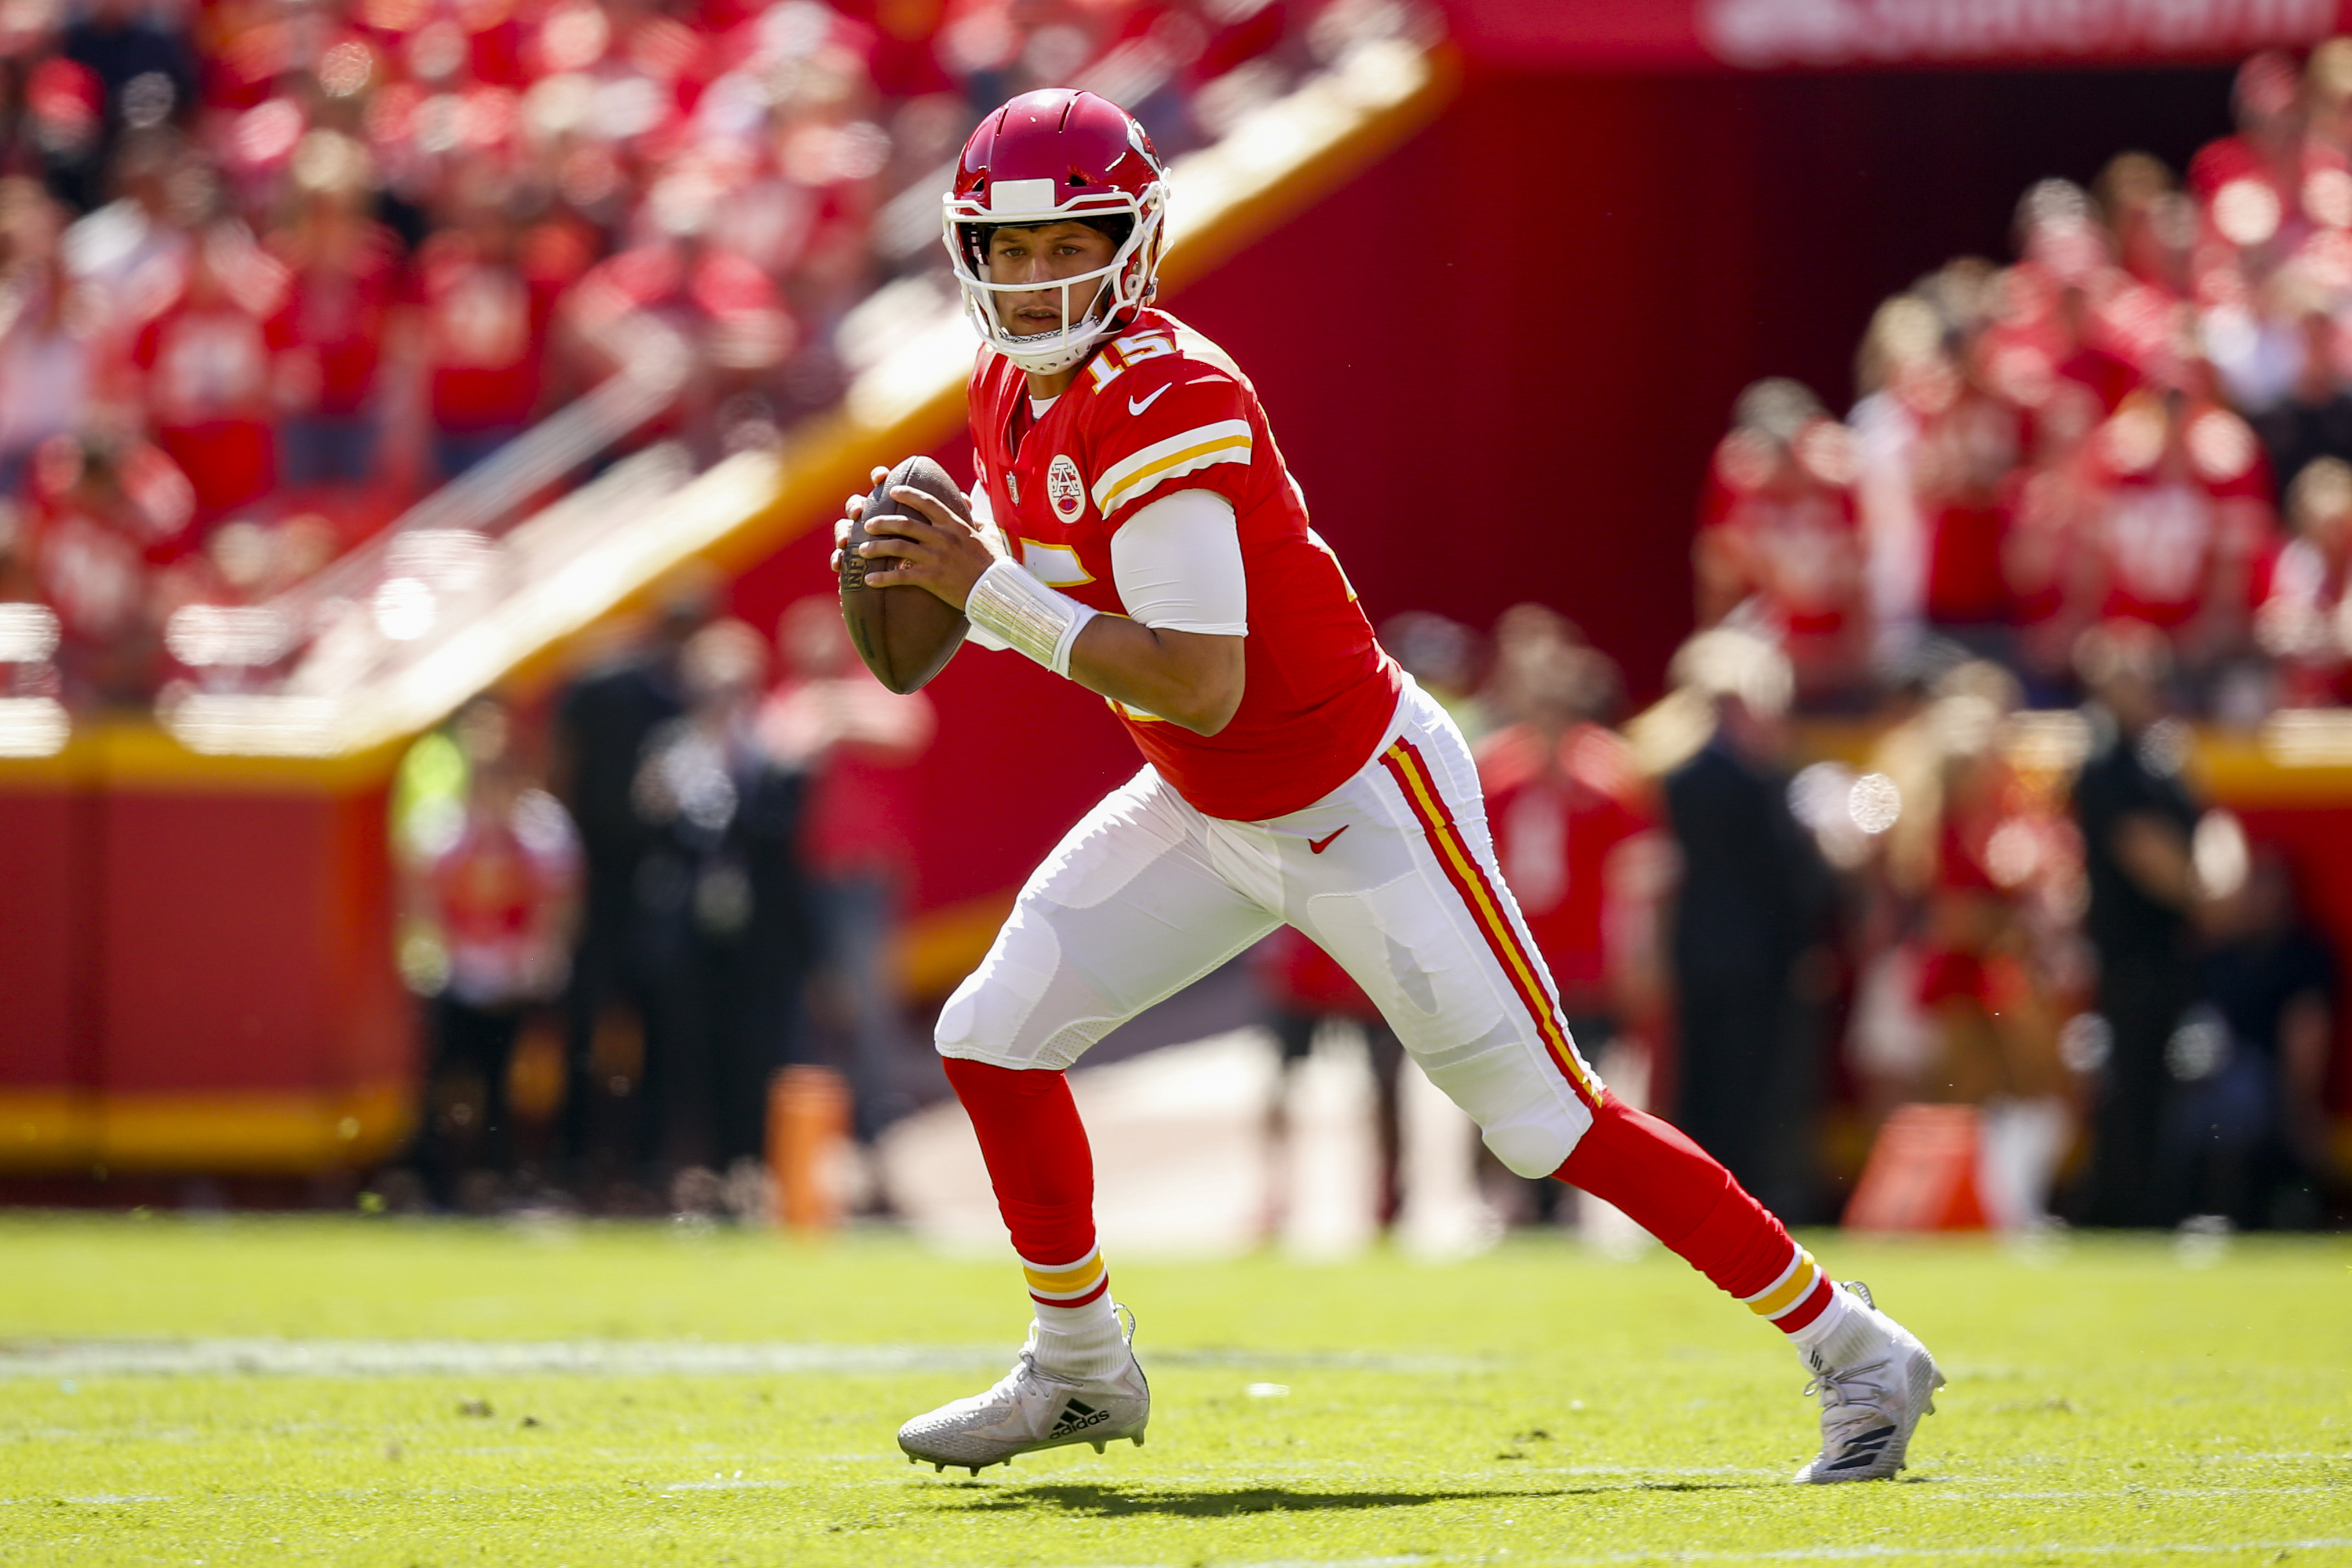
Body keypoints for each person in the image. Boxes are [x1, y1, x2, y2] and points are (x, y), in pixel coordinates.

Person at [839, 89, 1942, 1485]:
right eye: (1010, 250)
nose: (1039, 277)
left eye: (1074, 245)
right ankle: (1078, 1368)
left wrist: (984, 591)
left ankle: (1854, 1348)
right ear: (966, 254)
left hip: (1353, 799)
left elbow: (1200, 678)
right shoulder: (1009, 391)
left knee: (1546, 1121)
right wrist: (927, 583)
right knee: (991, 1036)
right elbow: (1007, 628)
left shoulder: (1168, 394)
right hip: (1203, 805)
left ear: (1135, 243)